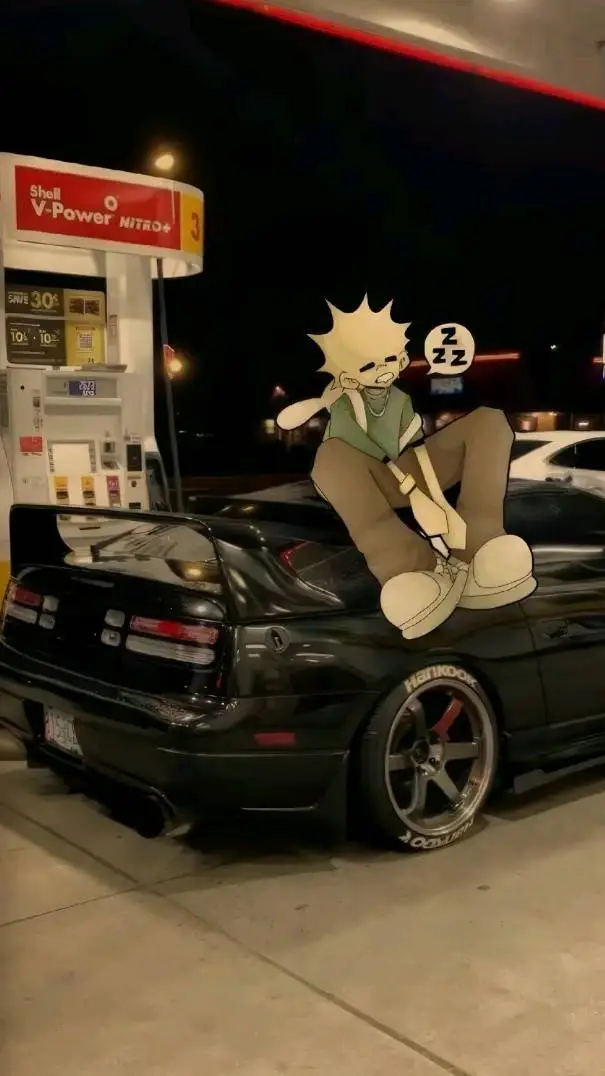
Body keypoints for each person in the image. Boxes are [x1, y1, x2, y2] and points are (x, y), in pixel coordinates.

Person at [277, 296, 536, 640]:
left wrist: (429, 496)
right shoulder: (340, 400)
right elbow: (288, 419)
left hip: (407, 469)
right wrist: (326, 399)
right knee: (330, 459)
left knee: (489, 421)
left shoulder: (399, 398)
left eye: (389, 359)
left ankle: (481, 543)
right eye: (369, 365)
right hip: (364, 478)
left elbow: (412, 449)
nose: (382, 370)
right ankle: (408, 569)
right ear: (347, 371)